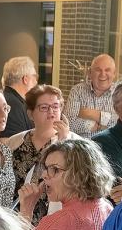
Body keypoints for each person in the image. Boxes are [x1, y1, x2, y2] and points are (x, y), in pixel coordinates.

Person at [5, 84, 78, 220]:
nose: (51, 111)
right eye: (44, 107)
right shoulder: (14, 142)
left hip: (54, 220)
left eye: (55, 106)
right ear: (30, 114)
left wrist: (64, 142)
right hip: (15, 218)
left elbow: (75, 182)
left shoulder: (74, 143)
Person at [65, 53, 118, 137]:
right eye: (98, 70)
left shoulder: (121, 93)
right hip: (81, 144)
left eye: (107, 70)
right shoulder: (77, 91)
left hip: (109, 144)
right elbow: (68, 123)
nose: (103, 74)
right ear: (90, 73)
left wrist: (90, 113)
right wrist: (92, 125)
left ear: (114, 74)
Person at [0, 55, 38, 138]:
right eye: (34, 77)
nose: (36, 82)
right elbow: (15, 141)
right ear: (25, 79)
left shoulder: (6, 98)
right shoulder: (13, 105)